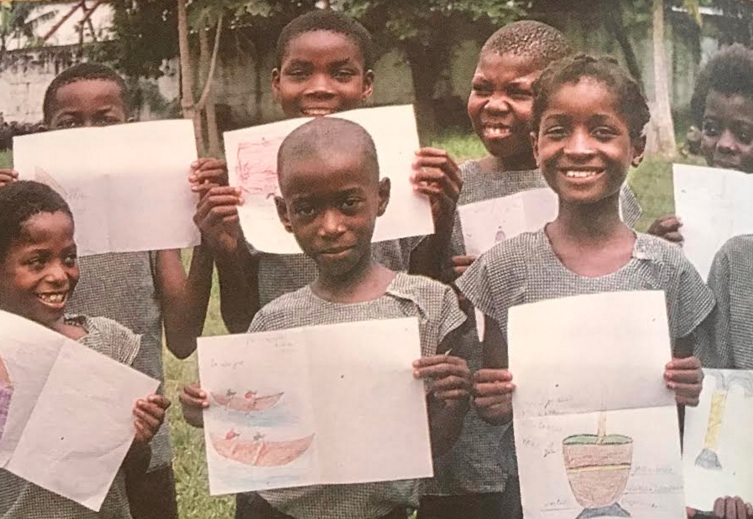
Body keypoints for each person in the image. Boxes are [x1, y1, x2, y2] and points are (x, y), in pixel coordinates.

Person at [455, 53, 714, 511]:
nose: (577, 148)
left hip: (643, 496)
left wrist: (691, 384)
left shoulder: (668, 269)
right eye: (558, 131)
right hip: (534, 498)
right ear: (535, 145)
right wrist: (492, 399)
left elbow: (685, 396)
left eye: (602, 132)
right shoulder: (504, 268)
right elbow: (496, 402)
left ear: (637, 147)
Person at [181, 117, 472, 519]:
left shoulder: (427, 305)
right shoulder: (275, 320)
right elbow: (253, 427)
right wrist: (207, 408)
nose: (331, 227)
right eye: (307, 209)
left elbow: (434, 444)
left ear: (381, 197)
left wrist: (455, 399)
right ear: (284, 214)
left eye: (349, 203)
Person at [417, 22, 639, 519]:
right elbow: (423, 294)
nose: (494, 105)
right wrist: (451, 256)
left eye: (518, 93)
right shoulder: (453, 184)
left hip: (554, 429)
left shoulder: (593, 182)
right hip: (466, 434)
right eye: (482, 87)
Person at [0, 62, 215, 519]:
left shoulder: (154, 217)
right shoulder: (25, 224)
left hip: (136, 437)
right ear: (45, 131)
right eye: (69, 123)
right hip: (34, 451)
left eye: (105, 120)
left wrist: (208, 237)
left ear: (129, 128)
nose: (87, 134)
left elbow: (181, 338)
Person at [194, 9, 460, 335]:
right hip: (292, 353)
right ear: (277, 83)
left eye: (342, 74)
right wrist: (226, 250)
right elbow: (243, 323)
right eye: (300, 73)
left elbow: (429, 299)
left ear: (367, 84)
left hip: (389, 351)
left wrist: (441, 217)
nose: (320, 87)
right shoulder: (244, 183)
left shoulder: (409, 172)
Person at [0, 180, 168, 519]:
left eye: (69, 258)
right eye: (37, 261)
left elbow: (133, 472)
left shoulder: (108, 343)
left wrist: (138, 439)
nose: (59, 275)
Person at [691, 44, 753, 519]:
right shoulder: (731, 257)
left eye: (745, 134)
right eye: (713, 129)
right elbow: (716, 375)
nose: (726, 145)